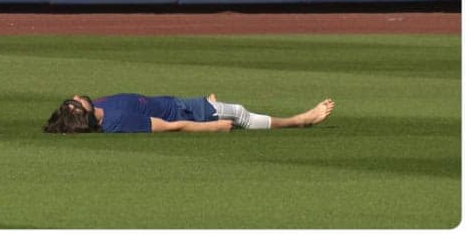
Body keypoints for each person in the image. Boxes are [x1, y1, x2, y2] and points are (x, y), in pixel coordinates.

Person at [43, 93, 335, 134]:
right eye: (74, 104)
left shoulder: (101, 106)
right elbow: (168, 126)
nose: (75, 98)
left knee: (229, 109)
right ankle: (300, 120)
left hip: (184, 104)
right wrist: (211, 126)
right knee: (239, 113)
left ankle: (212, 106)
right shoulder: (118, 121)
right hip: (190, 113)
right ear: (83, 115)